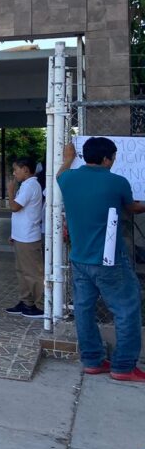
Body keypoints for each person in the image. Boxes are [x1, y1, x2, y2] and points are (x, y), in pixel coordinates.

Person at [57, 138, 145, 382]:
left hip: (79, 257)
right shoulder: (117, 182)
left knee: (84, 310)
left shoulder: (67, 179)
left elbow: (60, 173)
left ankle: (93, 361)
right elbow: (132, 208)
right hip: (109, 258)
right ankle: (124, 366)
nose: (114, 161)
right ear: (107, 158)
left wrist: (67, 158)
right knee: (126, 308)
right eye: (113, 157)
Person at [5, 157, 44, 318]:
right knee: (22, 271)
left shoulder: (30, 185)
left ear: (26, 170)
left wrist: (10, 191)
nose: (14, 173)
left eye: (16, 170)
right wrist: (14, 234)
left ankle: (41, 305)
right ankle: (26, 301)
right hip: (21, 236)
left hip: (29, 237)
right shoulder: (26, 185)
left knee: (33, 273)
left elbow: (14, 207)